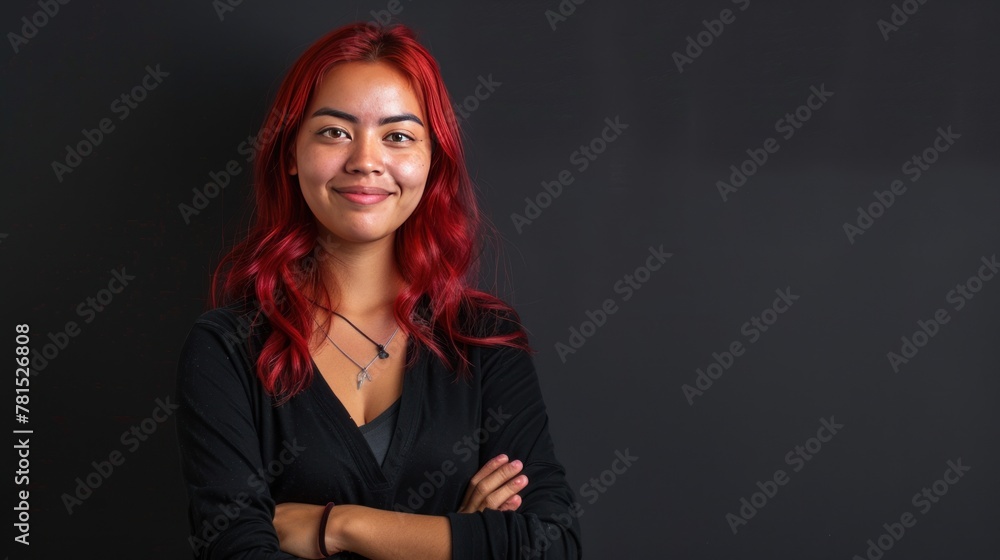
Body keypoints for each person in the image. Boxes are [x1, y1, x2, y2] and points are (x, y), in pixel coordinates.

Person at [175, 21, 583, 559]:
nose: (366, 160)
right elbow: (236, 551)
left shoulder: (485, 339)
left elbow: (551, 545)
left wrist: (340, 527)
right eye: (334, 132)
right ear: (291, 155)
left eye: (397, 136)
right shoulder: (226, 347)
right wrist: (457, 539)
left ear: (431, 160)